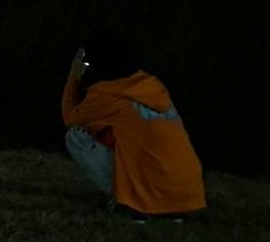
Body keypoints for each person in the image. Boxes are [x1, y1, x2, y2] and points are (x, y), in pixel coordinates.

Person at [62, 28, 206, 219]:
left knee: (76, 135)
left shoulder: (106, 93)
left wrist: (73, 77)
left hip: (152, 198)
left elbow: (70, 117)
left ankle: (128, 201)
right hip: (189, 197)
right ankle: (167, 206)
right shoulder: (151, 86)